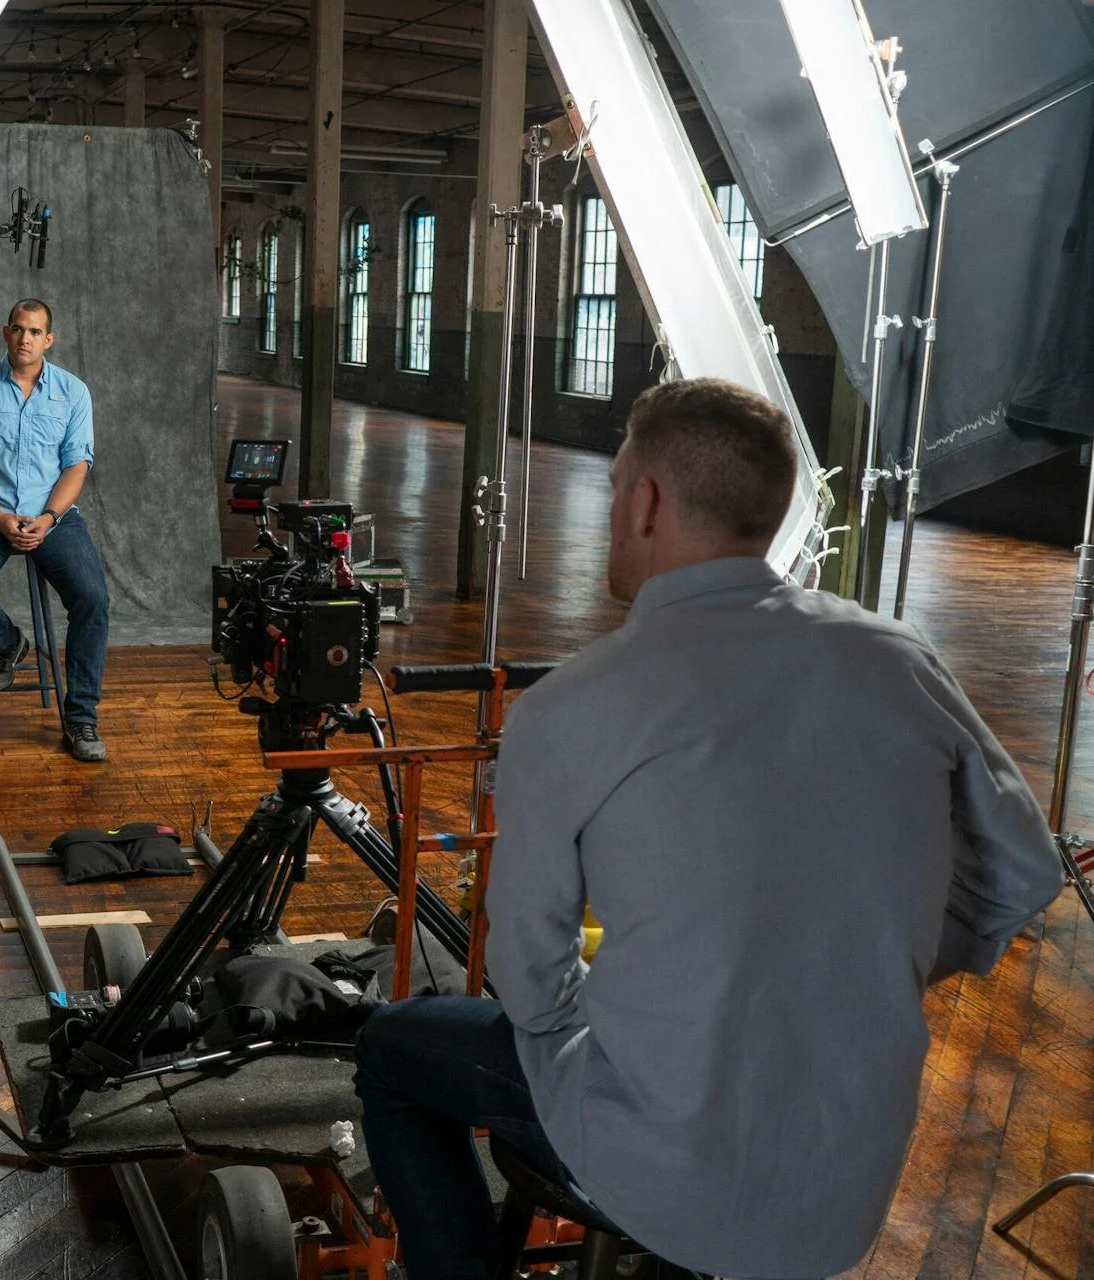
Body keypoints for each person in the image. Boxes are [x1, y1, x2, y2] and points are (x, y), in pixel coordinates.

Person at [354, 378, 1063, 1279]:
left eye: (617, 486)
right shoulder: (896, 658)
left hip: (666, 1174)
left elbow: (530, 985)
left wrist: (623, 1039)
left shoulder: (572, 707)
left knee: (392, 1050)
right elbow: (1023, 874)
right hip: (846, 1193)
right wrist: (874, 970)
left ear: (648, 503)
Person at [0, 298, 110, 762]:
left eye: (35, 332)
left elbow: (76, 466)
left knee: (92, 598)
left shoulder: (74, 392)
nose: (25, 339)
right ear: (6, 332)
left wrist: (49, 517)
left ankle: (80, 719)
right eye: (18, 329)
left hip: (52, 516)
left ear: (48, 339)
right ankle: (9, 642)